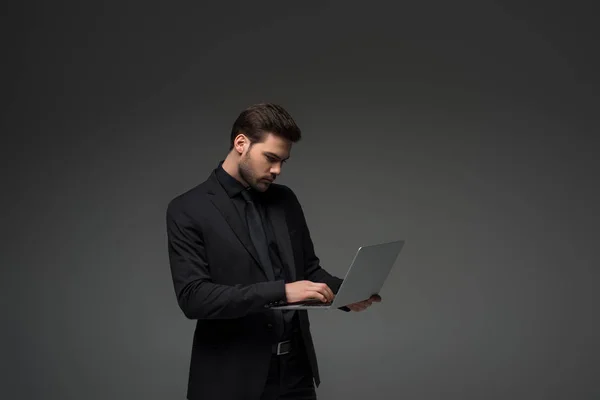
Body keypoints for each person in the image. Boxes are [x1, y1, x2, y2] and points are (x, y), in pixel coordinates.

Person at [166, 103, 381, 400]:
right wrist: (282, 291)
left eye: (283, 161)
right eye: (270, 158)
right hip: (230, 380)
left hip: (295, 376)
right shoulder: (188, 208)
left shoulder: (285, 200)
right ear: (241, 143)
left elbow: (307, 270)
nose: (277, 170)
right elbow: (194, 298)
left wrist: (347, 294)